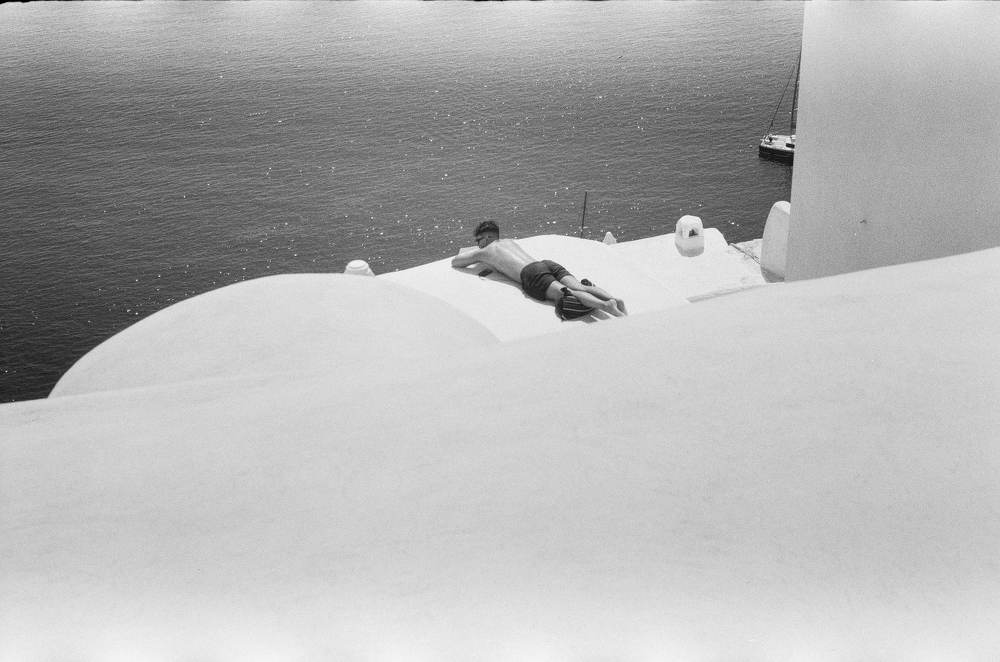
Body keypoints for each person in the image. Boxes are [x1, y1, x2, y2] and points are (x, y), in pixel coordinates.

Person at [451, 221, 627, 319]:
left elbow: (456, 262)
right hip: (545, 263)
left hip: (530, 273)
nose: (478, 244)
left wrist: (476, 254)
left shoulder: (484, 251)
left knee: (567, 293)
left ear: (488, 237)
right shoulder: (509, 241)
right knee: (580, 286)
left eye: (479, 240)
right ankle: (614, 299)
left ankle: (606, 306)